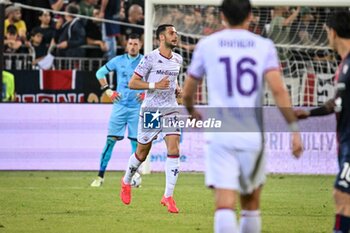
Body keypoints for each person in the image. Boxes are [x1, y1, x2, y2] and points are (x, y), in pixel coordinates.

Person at [182, 0, 303, 232]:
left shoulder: (207, 45)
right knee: (251, 204)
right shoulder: (263, 45)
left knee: (224, 204)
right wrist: (294, 130)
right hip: (251, 134)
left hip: (220, 133)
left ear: (221, 16)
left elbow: (188, 91)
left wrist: (191, 111)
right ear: (250, 16)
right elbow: (278, 90)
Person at [294, 11, 350, 233]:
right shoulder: (343, 65)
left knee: (341, 193)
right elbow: (336, 103)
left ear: (333, 32)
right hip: (344, 141)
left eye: (327, 32)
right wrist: (309, 114)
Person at [119, 24, 183, 214]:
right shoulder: (150, 58)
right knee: (141, 153)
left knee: (174, 148)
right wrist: (155, 84)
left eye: (176, 33)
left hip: (170, 109)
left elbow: (173, 80)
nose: (175, 36)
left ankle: (168, 196)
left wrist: (176, 88)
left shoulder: (178, 59)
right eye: (172, 33)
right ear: (161, 37)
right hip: (151, 111)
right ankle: (126, 181)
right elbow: (132, 83)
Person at [90, 33, 144, 187]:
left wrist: (145, 92)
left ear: (140, 45)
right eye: (130, 44)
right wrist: (107, 90)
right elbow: (99, 73)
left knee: (135, 144)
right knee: (110, 141)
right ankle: (100, 177)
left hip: (136, 108)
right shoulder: (118, 61)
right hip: (120, 106)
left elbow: (154, 80)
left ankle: (134, 178)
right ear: (126, 45)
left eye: (135, 44)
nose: (133, 46)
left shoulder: (145, 62)